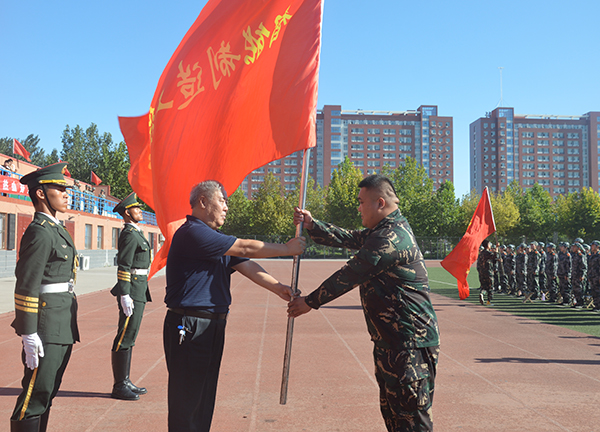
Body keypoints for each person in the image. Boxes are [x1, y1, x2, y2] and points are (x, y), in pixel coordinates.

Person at [288, 174, 440, 432]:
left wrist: (309, 302)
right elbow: (347, 238)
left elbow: (351, 274)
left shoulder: (391, 238)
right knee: (394, 419)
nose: (358, 207)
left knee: (412, 422)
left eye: (361, 202)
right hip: (391, 343)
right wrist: (313, 225)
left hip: (409, 345)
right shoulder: (381, 231)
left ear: (379, 203)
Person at [163, 180, 306, 432]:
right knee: (187, 399)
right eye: (222, 200)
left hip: (212, 325)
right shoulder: (193, 233)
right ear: (203, 202)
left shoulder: (215, 239)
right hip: (189, 324)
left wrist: (278, 287)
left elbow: (247, 265)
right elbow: (245, 246)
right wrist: (287, 248)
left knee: (204, 396)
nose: (227, 207)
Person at [10, 162, 78, 432]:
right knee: (34, 397)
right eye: (59, 188)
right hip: (46, 326)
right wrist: (29, 333)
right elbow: (26, 284)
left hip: (62, 322)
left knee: (47, 394)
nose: (65, 193)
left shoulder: (56, 229)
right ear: (40, 193)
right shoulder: (40, 231)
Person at [110, 193, 151, 401]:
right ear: (127, 212)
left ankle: (125, 380)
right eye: (137, 209)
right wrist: (124, 294)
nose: (140, 211)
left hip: (139, 288)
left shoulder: (137, 232)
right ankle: (119, 385)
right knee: (124, 336)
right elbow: (124, 265)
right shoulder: (129, 234)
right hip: (132, 290)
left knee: (131, 334)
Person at [477, 240, 496, 305]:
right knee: (490, 287)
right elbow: (495, 257)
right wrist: (496, 250)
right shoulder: (487, 253)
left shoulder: (481, 253)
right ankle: (488, 301)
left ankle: (482, 293)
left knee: (484, 286)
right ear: (487, 245)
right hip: (488, 272)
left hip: (481, 272)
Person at [588, 241, 600, 311]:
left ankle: (599, 306)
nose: (591, 247)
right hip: (592, 276)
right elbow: (590, 266)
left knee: (598, 291)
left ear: (597, 246)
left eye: (593, 246)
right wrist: (589, 276)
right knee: (594, 291)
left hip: (597, 276)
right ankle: (596, 305)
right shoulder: (592, 255)